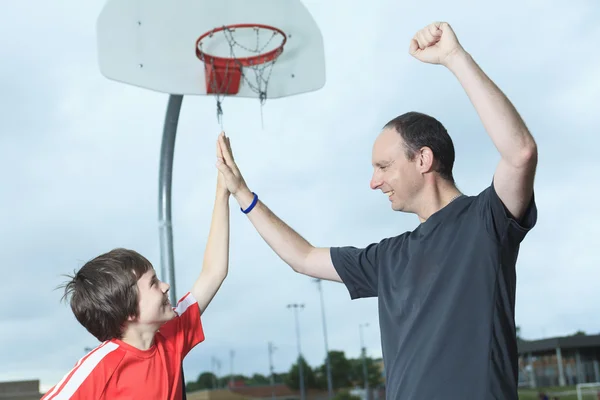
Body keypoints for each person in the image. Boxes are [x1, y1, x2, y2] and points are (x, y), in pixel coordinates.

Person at [215, 22, 538, 399]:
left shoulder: (486, 221)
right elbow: (302, 258)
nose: (373, 182)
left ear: (423, 160)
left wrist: (454, 58)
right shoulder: (388, 257)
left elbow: (520, 153)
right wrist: (242, 193)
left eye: (383, 167)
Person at [42, 134, 231, 400]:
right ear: (129, 310)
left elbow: (214, 271)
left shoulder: (171, 335)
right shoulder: (100, 368)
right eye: (153, 283)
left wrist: (223, 191)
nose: (166, 286)